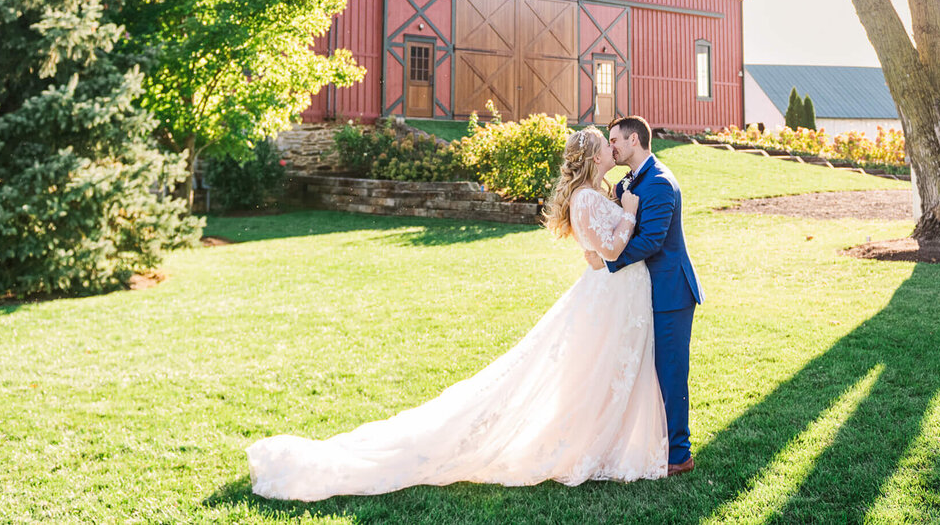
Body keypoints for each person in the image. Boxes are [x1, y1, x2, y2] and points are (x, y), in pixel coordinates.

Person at [246, 126, 668, 501]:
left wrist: (619, 209)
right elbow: (607, 253)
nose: (614, 148)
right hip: (609, 295)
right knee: (593, 372)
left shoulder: (601, 191)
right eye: (607, 144)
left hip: (617, 296)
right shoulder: (587, 198)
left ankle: (606, 444)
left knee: (606, 372)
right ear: (595, 156)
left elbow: (596, 257)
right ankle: (590, 449)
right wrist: (629, 212)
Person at [584, 115, 703, 476]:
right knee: (645, 371)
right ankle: (654, 442)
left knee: (670, 372)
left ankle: (678, 455)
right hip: (644, 291)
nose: (612, 146)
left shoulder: (662, 183)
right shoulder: (630, 180)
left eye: (615, 140)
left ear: (634, 140)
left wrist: (608, 262)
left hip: (671, 291)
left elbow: (651, 240)